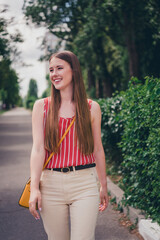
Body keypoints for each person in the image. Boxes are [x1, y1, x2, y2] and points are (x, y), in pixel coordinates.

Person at [29, 50, 109, 240]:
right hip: (50, 185)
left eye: (59, 68)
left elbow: (97, 148)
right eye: (51, 70)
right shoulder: (41, 107)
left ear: (74, 70)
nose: (54, 74)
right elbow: (38, 149)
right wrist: (35, 188)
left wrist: (103, 185)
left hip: (84, 184)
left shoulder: (92, 108)